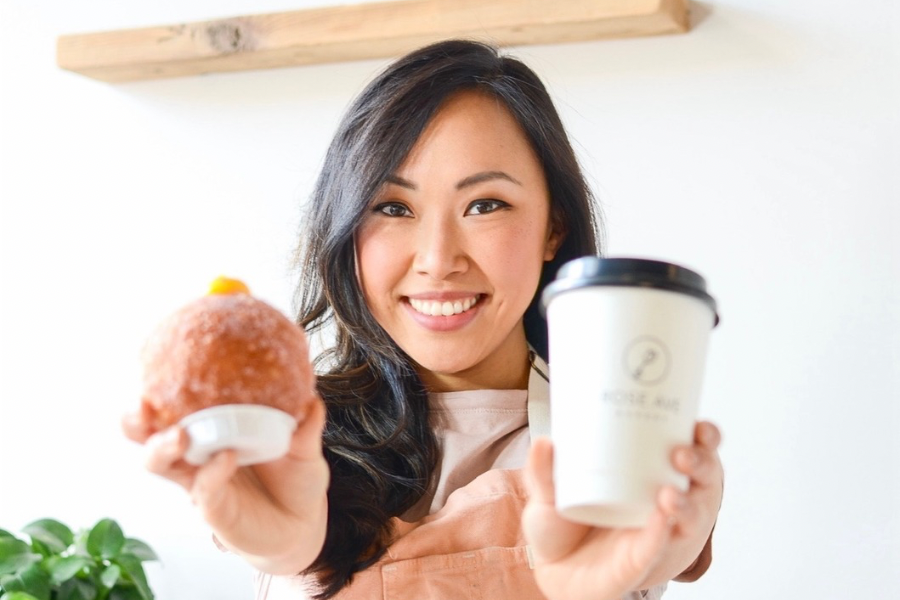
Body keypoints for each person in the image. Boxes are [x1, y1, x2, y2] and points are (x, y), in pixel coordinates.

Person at [124, 39, 723, 600]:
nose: (438, 260)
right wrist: (283, 543)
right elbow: (280, 539)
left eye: (485, 205)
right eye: (392, 207)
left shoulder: (620, 434)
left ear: (553, 227)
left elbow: (663, 540)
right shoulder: (291, 437)